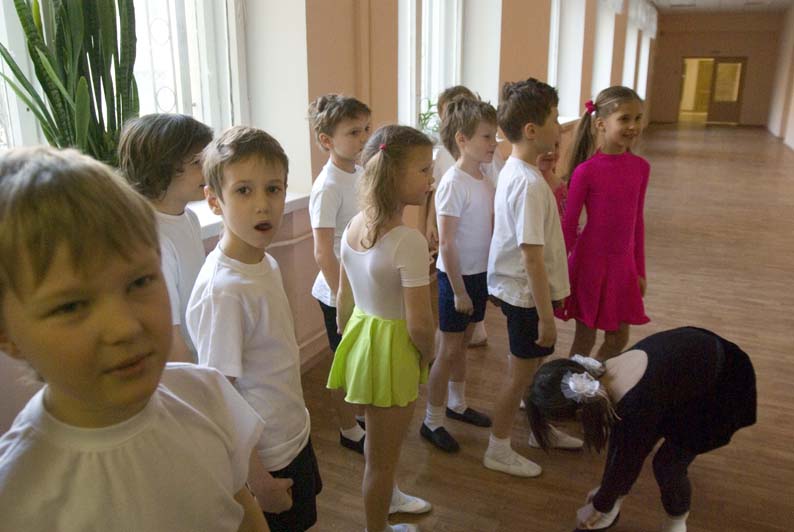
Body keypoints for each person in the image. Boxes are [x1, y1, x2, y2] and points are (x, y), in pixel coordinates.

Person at [0, 147, 268, 531]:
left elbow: (242, 509)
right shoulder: (15, 500)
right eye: (72, 306)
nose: (125, 327)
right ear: (7, 334)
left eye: (140, 282)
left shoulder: (205, 395)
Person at [187, 127, 319, 532]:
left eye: (273, 189)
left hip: (292, 432)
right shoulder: (224, 291)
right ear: (214, 200)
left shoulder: (264, 262)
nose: (263, 205)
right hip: (265, 458)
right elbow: (219, 398)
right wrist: (257, 480)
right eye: (243, 191)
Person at [527, 327, 757, 532]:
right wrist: (608, 493)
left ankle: (676, 520)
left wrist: (602, 503)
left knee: (668, 466)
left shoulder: (634, 407)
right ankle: (613, 507)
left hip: (724, 386)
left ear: (579, 414)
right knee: (639, 441)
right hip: (692, 366)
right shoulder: (605, 377)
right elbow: (624, 449)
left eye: (561, 424)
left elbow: (628, 456)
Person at [327, 125, 436, 532]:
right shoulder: (408, 241)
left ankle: (391, 497)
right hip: (393, 350)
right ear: (394, 175)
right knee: (381, 459)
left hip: (363, 339)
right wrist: (429, 355)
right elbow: (420, 323)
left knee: (380, 444)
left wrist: (349, 345)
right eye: (424, 170)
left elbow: (343, 299)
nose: (431, 179)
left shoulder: (355, 224)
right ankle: (378, 527)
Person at [485, 78, 583, 479]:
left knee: (534, 368)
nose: (559, 126)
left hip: (526, 294)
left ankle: (539, 431)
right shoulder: (526, 184)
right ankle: (498, 447)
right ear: (531, 130)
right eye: (554, 119)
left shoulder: (521, 172)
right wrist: (545, 316)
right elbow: (531, 257)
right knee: (520, 375)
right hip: (526, 298)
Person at [422, 97, 497, 453]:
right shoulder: (453, 182)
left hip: (478, 275)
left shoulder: (484, 177)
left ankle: (457, 403)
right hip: (457, 279)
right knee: (448, 350)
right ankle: (431, 420)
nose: (494, 143)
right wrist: (458, 290)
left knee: (463, 344)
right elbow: (448, 242)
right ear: (462, 140)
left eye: (494, 135)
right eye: (486, 136)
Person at [558, 86, 651, 361]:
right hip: (591, 264)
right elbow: (569, 225)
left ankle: (591, 379)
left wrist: (640, 270)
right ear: (601, 123)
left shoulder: (641, 167)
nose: (633, 126)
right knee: (584, 339)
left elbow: (637, 222)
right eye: (625, 119)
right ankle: (571, 382)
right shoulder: (586, 171)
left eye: (638, 118)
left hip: (623, 265)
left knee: (618, 338)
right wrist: (557, 273)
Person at [119, 113, 213, 362]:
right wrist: (197, 378)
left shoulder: (189, 217)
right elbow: (169, 336)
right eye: (197, 162)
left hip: (199, 350)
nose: (208, 169)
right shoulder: (153, 238)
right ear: (161, 169)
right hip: (179, 364)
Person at [307, 93, 371, 453]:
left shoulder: (359, 173)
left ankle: (358, 415)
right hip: (338, 292)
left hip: (361, 287)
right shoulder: (327, 186)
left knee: (360, 358)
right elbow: (322, 251)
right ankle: (348, 429)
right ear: (327, 140)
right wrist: (343, 298)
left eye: (365, 130)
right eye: (353, 132)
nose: (362, 139)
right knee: (343, 363)